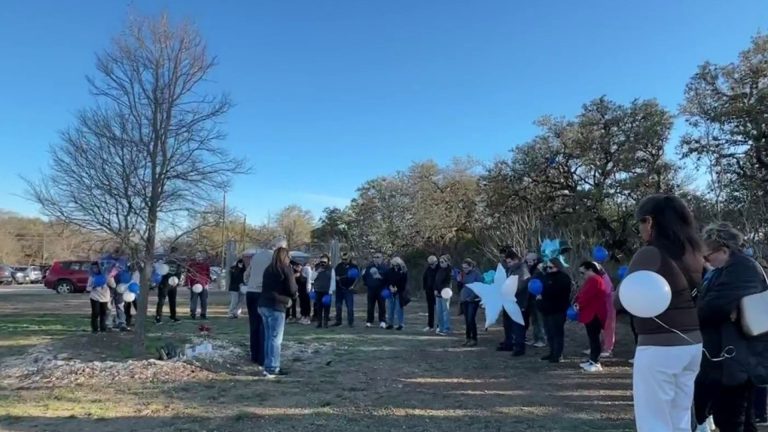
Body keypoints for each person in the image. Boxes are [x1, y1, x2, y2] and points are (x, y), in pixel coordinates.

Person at [616, 194, 704, 432]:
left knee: (653, 419)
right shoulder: (695, 253)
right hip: (692, 343)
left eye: (641, 222)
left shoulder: (650, 254)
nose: (640, 228)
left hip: (659, 346)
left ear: (652, 221)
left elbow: (621, 299)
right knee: (680, 417)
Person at [693, 223, 768, 432]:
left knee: (732, 421)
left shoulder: (742, 268)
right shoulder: (724, 270)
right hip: (728, 358)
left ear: (724, 250)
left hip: (738, 360)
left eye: (707, 256)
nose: (705, 261)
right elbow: (712, 305)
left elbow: (713, 307)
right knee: (738, 421)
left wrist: (706, 308)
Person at [258, 247, 298, 378]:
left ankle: (268, 364)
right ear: (285, 256)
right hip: (277, 306)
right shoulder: (286, 269)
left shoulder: (268, 269)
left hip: (263, 304)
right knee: (275, 339)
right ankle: (273, 367)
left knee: (269, 337)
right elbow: (292, 289)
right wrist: (291, 297)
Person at [574, 261, 608, 372]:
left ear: (590, 270)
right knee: (592, 337)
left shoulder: (595, 280)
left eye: (583, 272)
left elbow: (586, 295)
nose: (582, 275)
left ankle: (596, 362)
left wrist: (578, 304)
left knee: (594, 338)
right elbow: (582, 294)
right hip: (590, 312)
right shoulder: (592, 280)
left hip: (594, 314)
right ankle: (592, 360)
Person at [539, 257, 572, 363]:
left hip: (558, 310)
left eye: (551, 267)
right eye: (547, 267)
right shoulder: (546, 276)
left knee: (557, 333)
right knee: (549, 332)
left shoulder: (563, 278)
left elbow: (557, 291)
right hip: (546, 309)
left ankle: (558, 354)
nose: (548, 269)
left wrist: (543, 294)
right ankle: (552, 352)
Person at [505, 250, 531, 357]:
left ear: (516, 260)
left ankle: (520, 347)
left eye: (510, 262)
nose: (508, 264)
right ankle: (515, 344)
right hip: (512, 301)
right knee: (513, 325)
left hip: (521, 302)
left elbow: (520, 286)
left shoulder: (522, 270)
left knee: (518, 325)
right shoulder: (512, 270)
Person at [525, 253, 547, 348]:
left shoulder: (541, 269)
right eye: (527, 261)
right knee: (534, 320)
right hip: (531, 297)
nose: (528, 263)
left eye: (530, 261)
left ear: (535, 260)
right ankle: (535, 338)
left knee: (540, 319)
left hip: (539, 297)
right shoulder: (531, 268)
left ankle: (542, 339)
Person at [459, 258, 482, 346]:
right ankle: (467, 338)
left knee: (471, 319)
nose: (464, 270)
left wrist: (472, 297)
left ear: (471, 266)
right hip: (465, 299)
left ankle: (474, 338)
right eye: (463, 268)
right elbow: (462, 286)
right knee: (467, 320)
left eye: (466, 268)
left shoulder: (477, 274)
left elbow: (479, 287)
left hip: (473, 300)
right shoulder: (463, 274)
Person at [364, 252, 389, 329]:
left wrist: (381, 278)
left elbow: (388, 278)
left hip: (381, 289)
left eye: (378, 257)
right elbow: (364, 277)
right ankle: (369, 321)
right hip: (371, 289)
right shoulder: (369, 267)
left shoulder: (385, 268)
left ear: (381, 258)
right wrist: (368, 284)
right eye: (374, 257)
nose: (376, 258)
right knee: (370, 306)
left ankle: (382, 321)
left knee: (382, 305)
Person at [333, 252, 358, 327]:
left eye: (346, 259)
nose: (344, 260)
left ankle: (350, 322)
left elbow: (357, 277)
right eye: (343, 259)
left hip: (348, 289)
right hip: (339, 289)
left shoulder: (354, 266)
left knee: (350, 307)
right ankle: (338, 321)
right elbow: (335, 275)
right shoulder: (339, 266)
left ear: (349, 259)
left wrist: (353, 286)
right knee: (338, 306)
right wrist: (336, 278)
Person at [385, 257, 409, 330]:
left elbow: (404, 283)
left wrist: (397, 289)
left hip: (399, 292)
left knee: (399, 309)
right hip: (390, 291)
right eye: (394, 265)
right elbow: (387, 280)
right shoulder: (389, 271)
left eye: (397, 265)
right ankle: (390, 323)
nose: (395, 267)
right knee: (390, 308)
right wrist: (390, 287)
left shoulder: (403, 272)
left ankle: (400, 324)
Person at [156, 257, 181, 324]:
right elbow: (160, 273)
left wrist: (176, 282)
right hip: (164, 285)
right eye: (172, 254)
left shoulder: (178, 264)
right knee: (161, 301)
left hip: (173, 285)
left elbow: (179, 274)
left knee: (173, 301)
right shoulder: (165, 263)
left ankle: (173, 316)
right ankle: (158, 317)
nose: (174, 256)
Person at [186, 252, 211, 320]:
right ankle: (193, 313)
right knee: (194, 300)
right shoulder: (191, 264)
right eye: (197, 256)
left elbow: (208, 275)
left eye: (200, 256)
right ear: (195, 257)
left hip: (203, 284)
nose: (199, 257)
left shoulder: (206, 265)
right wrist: (188, 284)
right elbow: (188, 275)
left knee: (204, 300)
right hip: (194, 284)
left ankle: (203, 314)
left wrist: (207, 283)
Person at [87, 261, 110, 333]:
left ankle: (103, 328)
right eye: (93, 268)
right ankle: (95, 329)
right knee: (95, 313)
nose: (95, 269)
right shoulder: (92, 277)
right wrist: (93, 287)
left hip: (104, 297)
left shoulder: (106, 276)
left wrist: (107, 281)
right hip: (95, 297)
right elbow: (87, 288)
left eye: (96, 267)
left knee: (103, 313)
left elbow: (113, 285)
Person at [599, 264, 616, 358]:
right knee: (600, 328)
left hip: (608, 306)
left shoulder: (604, 279)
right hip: (601, 306)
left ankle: (608, 349)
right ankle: (598, 347)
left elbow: (604, 291)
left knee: (608, 327)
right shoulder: (597, 278)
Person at [312, 255, 333, 328]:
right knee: (319, 307)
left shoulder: (330, 269)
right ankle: (319, 323)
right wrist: (317, 271)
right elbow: (312, 278)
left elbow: (333, 280)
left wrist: (331, 291)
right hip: (318, 290)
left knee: (327, 308)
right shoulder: (316, 268)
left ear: (327, 262)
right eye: (321, 262)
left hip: (327, 291)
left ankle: (326, 323)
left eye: (324, 262)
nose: (323, 263)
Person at [435, 254, 453, 335]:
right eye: (440, 262)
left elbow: (447, 283)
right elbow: (436, 281)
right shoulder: (439, 270)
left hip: (445, 292)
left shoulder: (449, 271)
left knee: (445, 311)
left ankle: (446, 328)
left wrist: (440, 290)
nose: (441, 263)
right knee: (439, 311)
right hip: (438, 293)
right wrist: (435, 289)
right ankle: (440, 327)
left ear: (447, 262)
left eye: (442, 262)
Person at [422, 255, 439, 332]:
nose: (431, 265)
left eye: (432, 264)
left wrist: (437, 289)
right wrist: (425, 288)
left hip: (438, 291)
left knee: (439, 309)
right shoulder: (428, 269)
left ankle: (439, 326)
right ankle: (430, 325)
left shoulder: (439, 269)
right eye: (429, 264)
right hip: (429, 291)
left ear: (436, 262)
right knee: (430, 309)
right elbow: (424, 278)